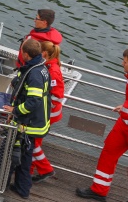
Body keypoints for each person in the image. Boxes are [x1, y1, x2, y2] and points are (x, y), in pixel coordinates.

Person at [75, 49, 128, 201]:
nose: (122, 64)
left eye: (125, 62)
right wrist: (123, 106)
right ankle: (99, 190)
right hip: (123, 125)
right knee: (108, 153)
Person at [4, 39, 50, 199]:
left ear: (26, 54)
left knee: (15, 154)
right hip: (33, 122)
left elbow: (33, 101)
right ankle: (20, 187)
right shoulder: (39, 67)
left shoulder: (35, 73)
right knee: (23, 157)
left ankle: (4, 184)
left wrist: (15, 110)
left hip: (29, 124)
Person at [31, 41, 64, 183]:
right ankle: (28, 168)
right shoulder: (49, 66)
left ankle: (46, 170)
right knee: (34, 141)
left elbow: (56, 96)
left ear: (44, 53)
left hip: (47, 114)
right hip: (46, 112)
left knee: (33, 143)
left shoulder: (53, 71)